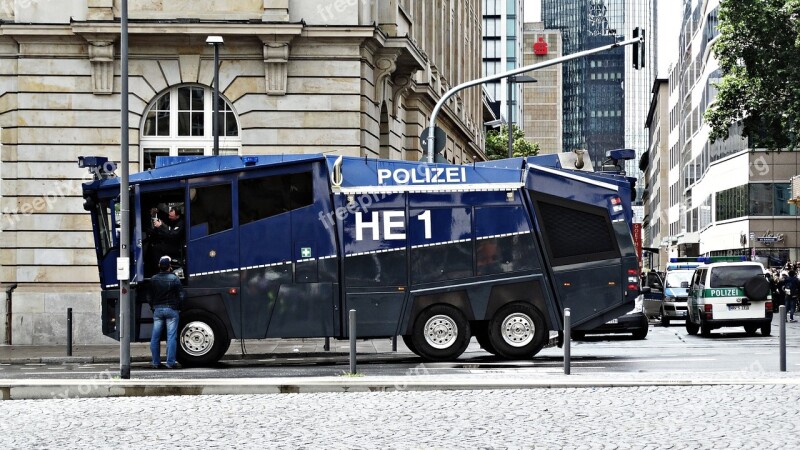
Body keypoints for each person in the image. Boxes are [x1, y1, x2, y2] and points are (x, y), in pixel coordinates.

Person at [149, 255, 185, 369]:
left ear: (159, 266)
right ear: (169, 267)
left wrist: (153, 307)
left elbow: (149, 296)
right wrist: (179, 307)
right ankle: (170, 363)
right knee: (171, 337)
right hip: (172, 309)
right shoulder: (174, 278)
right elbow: (181, 295)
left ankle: (156, 362)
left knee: (155, 337)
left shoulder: (153, 279)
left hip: (158, 310)